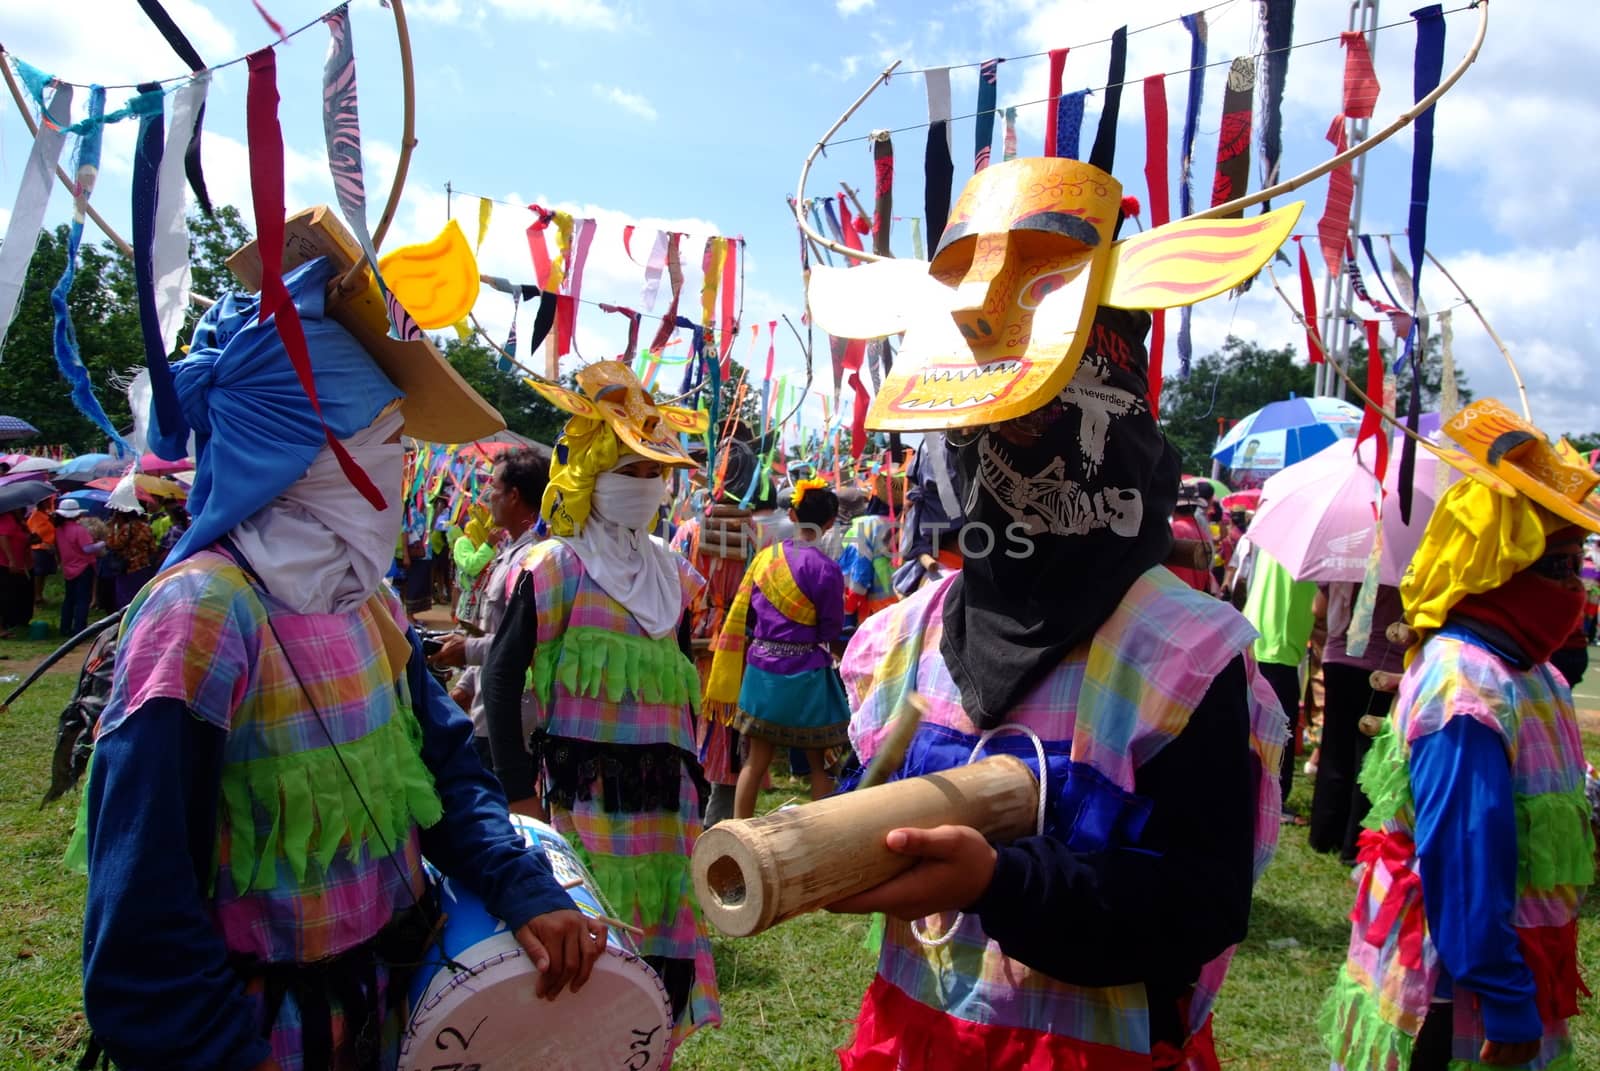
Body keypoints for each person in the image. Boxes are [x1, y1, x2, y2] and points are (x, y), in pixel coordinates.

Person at [77, 243, 600, 1071]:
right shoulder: (199, 619)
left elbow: (446, 764)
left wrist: (520, 885)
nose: (399, 466)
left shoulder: (370, 600)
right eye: (381, 436)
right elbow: (142, 918)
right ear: (300, 447)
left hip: (388, 1015)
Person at [1323, 400, 1595, 1071]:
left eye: (1576, 568)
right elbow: (1464, 854)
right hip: (1452, 998)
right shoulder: (1465, 687)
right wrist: (1503, 993)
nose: (1573, 590)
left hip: (1519, 968)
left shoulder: (1535, 675)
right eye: (1553, 568)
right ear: (1497, 566)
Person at [481, 362, 720, 1057]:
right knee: (589, 943)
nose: (644, 488)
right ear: (589, 470)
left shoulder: (674, 575)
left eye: (654, 474)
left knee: (662, 942)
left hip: (667, 806)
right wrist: (520, 793)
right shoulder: (552, 567)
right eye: (628, 471)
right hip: (580, 800)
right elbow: (501, 681)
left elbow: (678, 677)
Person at [708, 478, 849, 817]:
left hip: (761, 672)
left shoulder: (765, 559)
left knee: (756, 762)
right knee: (821, 764)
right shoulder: (827, 570)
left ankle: (739, 830)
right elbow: (830, 629)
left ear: (793, 514)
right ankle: (822, 838)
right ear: (830, 523)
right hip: (807, 677)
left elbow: (751, 614)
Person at [432, 447, 549, 772]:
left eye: (493, 489)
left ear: (513, 496)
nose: (486, 498)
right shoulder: (509, 552)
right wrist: (465, 686)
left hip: (516, 716)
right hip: (488, 707)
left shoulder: (537, 560)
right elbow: (492, 631)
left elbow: (529, 642)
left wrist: (467, 650)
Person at [1308, 579, 1406, 863]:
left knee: (1334, 748)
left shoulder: (1345, 554)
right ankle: (1355, 844)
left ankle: (1323, 835)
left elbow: (1318, 608)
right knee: (1368, 754)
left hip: (1340, 656)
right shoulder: (1404, 560)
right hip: (1382, 663)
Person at [1240, 545, 1317, 817]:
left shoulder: (1278, 540)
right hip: (1279, 647)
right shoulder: (1309, 549)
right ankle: (1274, 801)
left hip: (1255, 638)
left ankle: (1252, 793)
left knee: (1252, 728)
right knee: (1278, 733)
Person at [54, 499, 102, 637]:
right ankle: (80, 629)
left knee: (69, 599)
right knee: (82, 600)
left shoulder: (59, 530)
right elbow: (87, 549)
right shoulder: (79, 530)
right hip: (83, 567)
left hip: (68, 567)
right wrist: (101, 543)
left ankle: (65, 627)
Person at [103, 504, 161, 610]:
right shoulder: (146, 527)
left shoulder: (126, 528)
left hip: (128, 567)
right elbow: (153, 548)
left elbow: (113, 545)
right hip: (144, 566)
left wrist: (112, 527)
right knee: (140, 596)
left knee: (125, 598)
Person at [0, 505, 33, 634]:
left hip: (18, 564)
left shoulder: (18, 521)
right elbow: (2, 537)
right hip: (4, 563)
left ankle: (13, 622)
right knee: (3, 595)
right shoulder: (6, 519)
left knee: (13, 594)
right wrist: (11, 559)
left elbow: (19, 539)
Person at [28, 496, 57, 604]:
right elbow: (35, 533)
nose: (50, 503)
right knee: (38, 574)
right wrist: (44, 543)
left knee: (43, 573)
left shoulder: (46, 516)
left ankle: (40, 594)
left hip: (47, 548)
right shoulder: (36, 516)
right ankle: (36, 596)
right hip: (39, 549)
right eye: (48, 501)